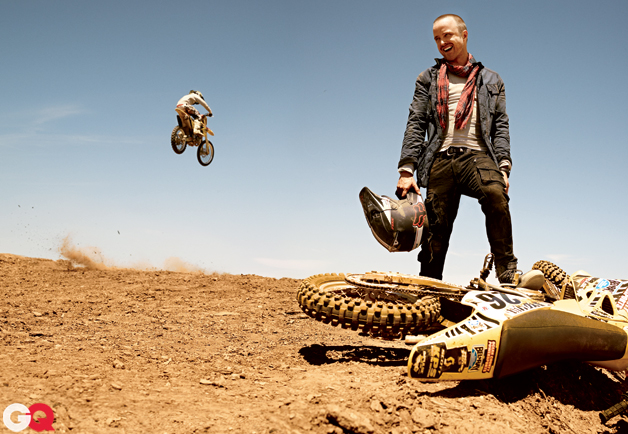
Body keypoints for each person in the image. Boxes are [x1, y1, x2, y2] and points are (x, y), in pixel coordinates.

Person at [396, 14, 517, 284]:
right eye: (437, 38)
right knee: (435, 229)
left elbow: (500, 125)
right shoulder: (427, 79)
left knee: (496, 195)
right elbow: (416, 122)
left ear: (464, 35)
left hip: (478, 156)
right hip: (440, 158)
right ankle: (429, 284)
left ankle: (508, 274)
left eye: (447, 35)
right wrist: (406, 170)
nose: (442, 42)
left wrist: (504, 166)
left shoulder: (491, 79)